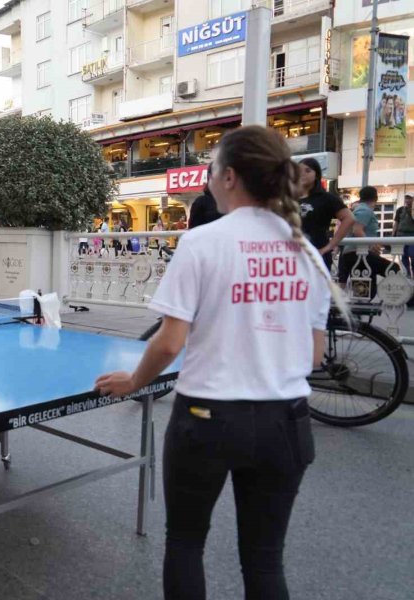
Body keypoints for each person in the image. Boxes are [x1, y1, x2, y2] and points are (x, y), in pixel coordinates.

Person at [95, 125, 339, 600]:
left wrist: (135, 383)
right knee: (265, 560)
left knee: (185, 543)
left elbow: (169, 344)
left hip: (207, 419)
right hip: (286, 421)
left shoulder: (202, 242)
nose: (207, 182)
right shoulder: (307, 252)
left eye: (210, 173)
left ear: (229, 177)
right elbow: (312, 356)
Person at [297, 157, 354, 271]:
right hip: (295, 256)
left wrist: (330, 246)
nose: (303, 174)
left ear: (316, 175)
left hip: (318, 254)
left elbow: (349, 219)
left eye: (308, 171)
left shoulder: (327, 198)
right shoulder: (291, 198)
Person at [338, 186, 394, 298]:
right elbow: (357, 230)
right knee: (393, 269)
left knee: (364, 293)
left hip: (356, 254)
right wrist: (371, 245)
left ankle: (356, 311)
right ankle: (400, 298)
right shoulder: (364, 210)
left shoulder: (358, 209)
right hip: (358, 254)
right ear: (375, 198)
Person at [392, 194, 414, 277]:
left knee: (412, 255)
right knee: (403, 255)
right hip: (401, 235)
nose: (408, 200)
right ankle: (406, 273)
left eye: (410, 198)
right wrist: (393, 234)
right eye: (406, 198)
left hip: (412, 235)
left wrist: (411, 210)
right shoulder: (400, 210)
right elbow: (396, 222)